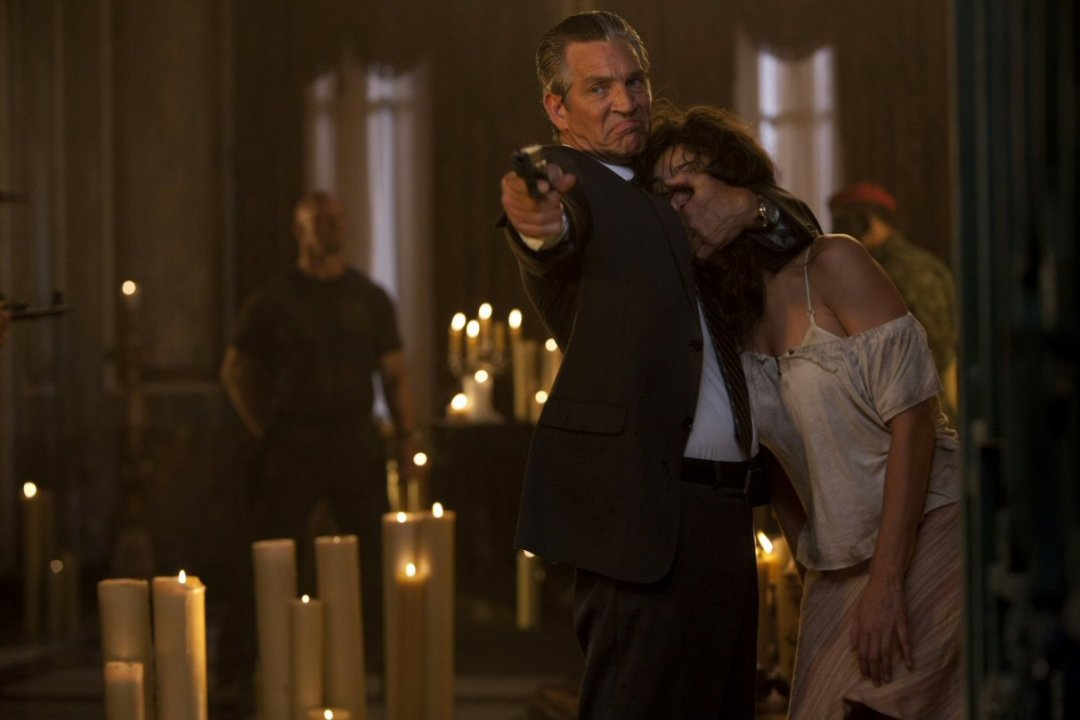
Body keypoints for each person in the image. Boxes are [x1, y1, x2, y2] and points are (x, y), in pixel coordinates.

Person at [499, 11, 819, 718]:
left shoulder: (673, 177)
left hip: (727, 514)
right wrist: (538, 220)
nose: (625, 101)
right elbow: (552, 232)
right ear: (557, 107)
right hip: (646, 519)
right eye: (598, 88)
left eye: (634, 81)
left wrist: (746, 206)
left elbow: (805, 233)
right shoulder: (573, 183)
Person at [647, 104, 962, 719]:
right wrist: (806, 569)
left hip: (928, 529)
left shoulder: (833, 264)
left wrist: (888, 579)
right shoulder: (724, 321)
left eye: (687, 188)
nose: (675, 209)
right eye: (663, 198)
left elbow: (915, 420)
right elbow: (778, 462)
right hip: (837, 563)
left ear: (738, 189)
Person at [219, 190, 418, 677]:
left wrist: (406, 435)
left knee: (371, 552)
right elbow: (235, 371)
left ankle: (379, 662)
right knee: (270, 548)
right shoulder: (273, 300)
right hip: (294, 442)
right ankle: (240, 665)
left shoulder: (370, 298)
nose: (331, 226)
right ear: (299, 229)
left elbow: (394, 375)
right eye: (320, 219)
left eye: (336, 219)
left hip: (354, 440)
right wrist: (265, 428)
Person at [829, 183, 958, 417]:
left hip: (913, 412)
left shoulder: (904, 272)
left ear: (866, 223)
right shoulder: (871, 268)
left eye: (846, 224)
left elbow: (933, 348)